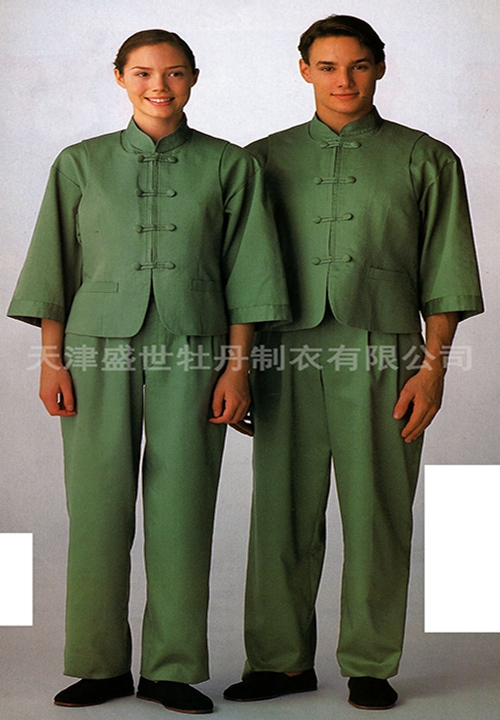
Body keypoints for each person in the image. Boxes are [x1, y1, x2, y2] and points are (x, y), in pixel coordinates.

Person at [7, 29, 289, 715]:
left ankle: (172, 671)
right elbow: (55, 266)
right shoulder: (80, 163)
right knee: (96, 506)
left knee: (183, 507)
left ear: (193, 78)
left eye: (174, 73)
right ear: (119, 77)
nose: (159, 86)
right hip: (94, 349)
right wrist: (51, 362)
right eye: (143, 73)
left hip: (196, 348)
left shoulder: (230, 165)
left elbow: (250, 272)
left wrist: (238, 370)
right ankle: (99, 667)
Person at [223, 14, 483, 711]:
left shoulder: (426, 158)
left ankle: (370, 663)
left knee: (378, 512)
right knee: (280, 512)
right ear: (303, 70)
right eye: (329, 66)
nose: (345, 80)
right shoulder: (259, 160)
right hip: (282, 350)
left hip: (385, 352)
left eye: (359, 65)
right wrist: (236, 367)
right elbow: (236, 270)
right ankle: (279, 663)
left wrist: (432, 369)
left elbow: (447, 271)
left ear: (381, 67)